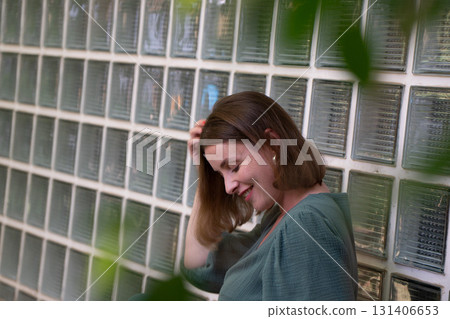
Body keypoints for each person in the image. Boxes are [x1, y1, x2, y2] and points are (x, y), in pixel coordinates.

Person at [181, 91, 358, 301]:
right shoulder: (281, 216)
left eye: (234, 167)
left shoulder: (306, 225)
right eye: (220, 174)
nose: (227, 187)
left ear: (273, 143)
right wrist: (205, 176)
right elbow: (200, 263)